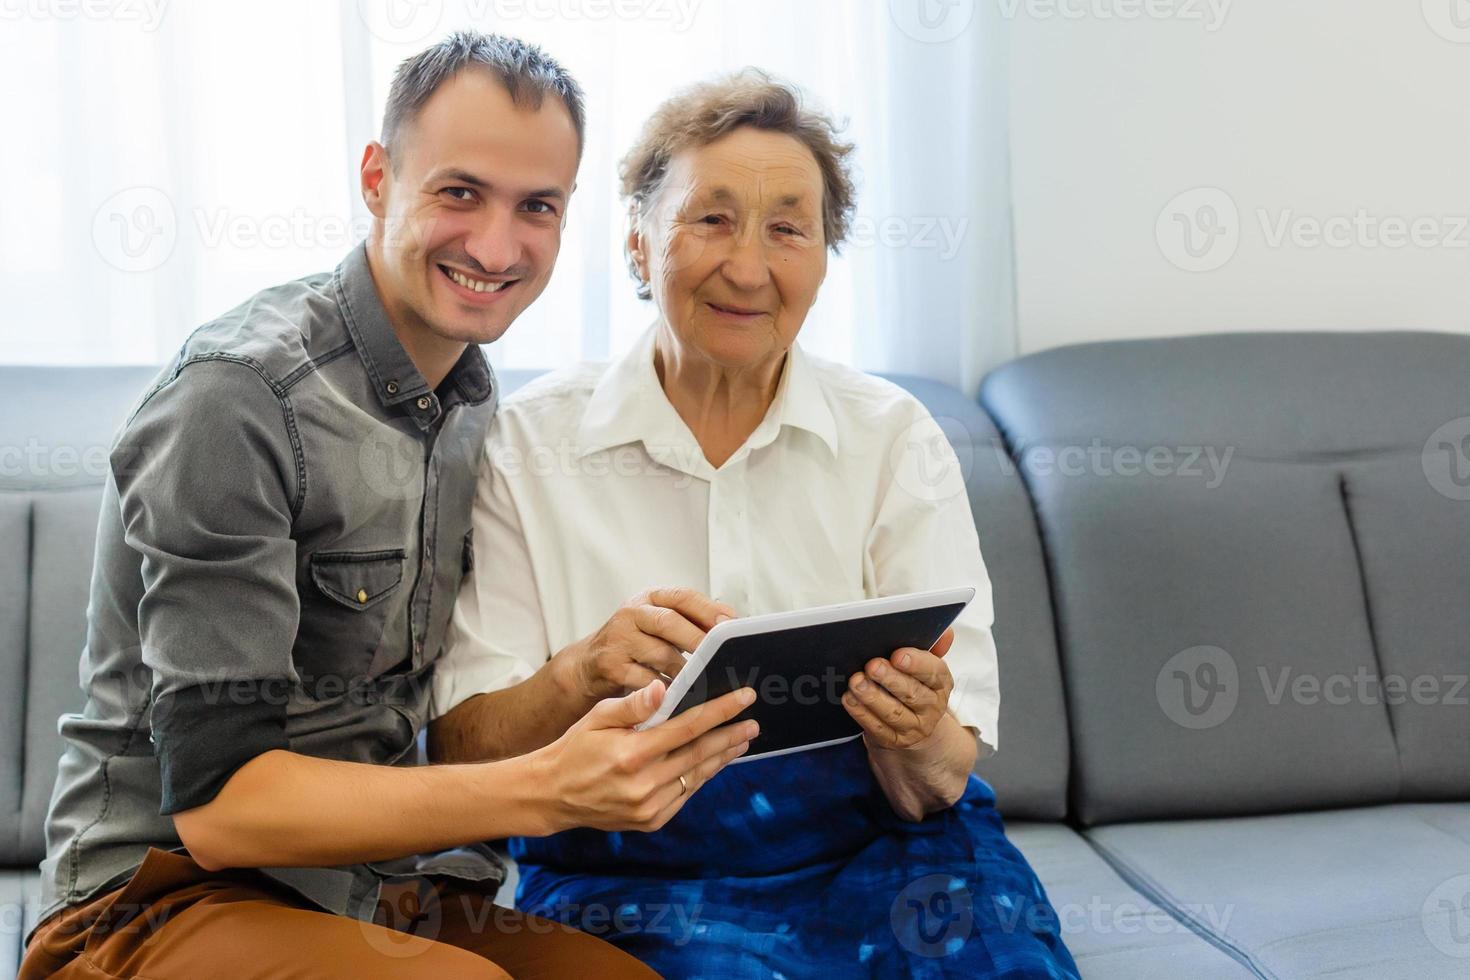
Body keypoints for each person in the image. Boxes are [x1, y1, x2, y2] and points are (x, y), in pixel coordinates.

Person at [23, 32, 758, 980]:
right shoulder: (238, 399)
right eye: (460, 192)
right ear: (377, 178)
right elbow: (220, 808)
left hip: (373, 889)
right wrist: (546, 791)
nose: (496, 247)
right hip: (154, 900)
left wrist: (584, 671)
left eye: (536, 207)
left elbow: (442, 721)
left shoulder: (469, 399)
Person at [429, 71, 1082, 977]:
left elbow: (937, 780)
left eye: (787, 229)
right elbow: (461, 751)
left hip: (884, 851)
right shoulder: (526, 443)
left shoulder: (892, 437)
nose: (748, 266)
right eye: (711, 219)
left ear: (822, 258)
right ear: (637, 243)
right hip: (631, 869)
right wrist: (579, 673)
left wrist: (916, 728)